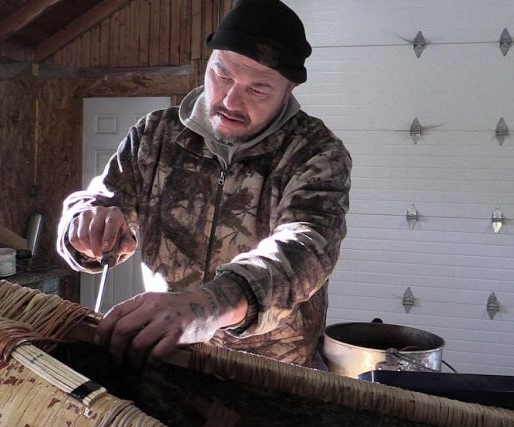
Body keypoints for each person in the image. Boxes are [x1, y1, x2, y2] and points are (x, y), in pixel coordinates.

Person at [57, 0, 351, 368]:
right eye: (222, 75)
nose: (230, 100)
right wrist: (85, 224)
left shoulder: (315, 153)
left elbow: (306, 246)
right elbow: (102, 198)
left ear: (288, 89)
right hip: (170, 359)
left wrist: (208, 308)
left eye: (257, 89)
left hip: (273, 373)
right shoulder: (154, 134)